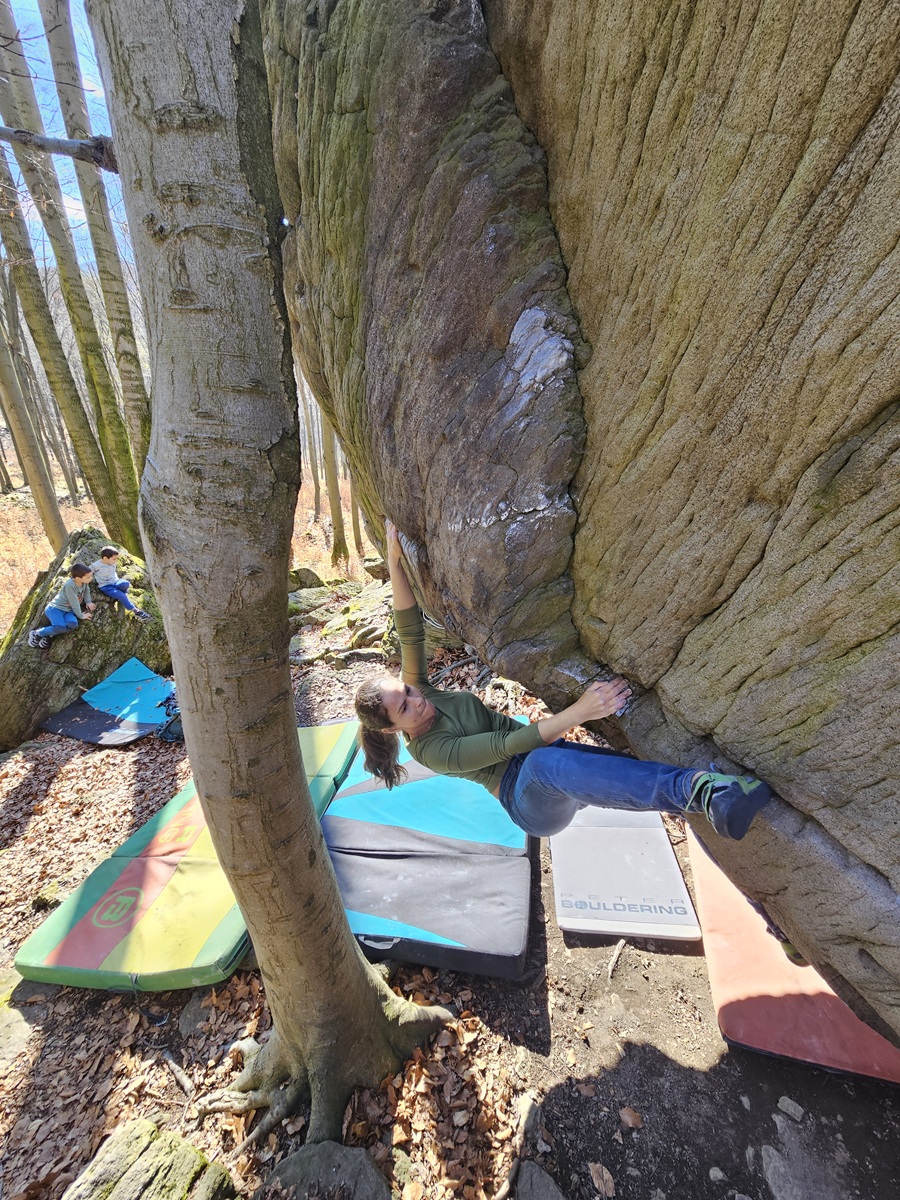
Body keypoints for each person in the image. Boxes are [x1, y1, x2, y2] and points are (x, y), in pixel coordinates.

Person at [354, 521, 772, 842]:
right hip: (528, 800)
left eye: (407, 690)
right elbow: (507, 746)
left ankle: (768, 906)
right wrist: (581, 711)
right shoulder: (433, 752)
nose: (416, 698)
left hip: (551, 759)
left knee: (639, 778)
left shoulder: (420, 691)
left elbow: (409, 628)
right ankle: (698, 791)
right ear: (393, 728)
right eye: (405, 707)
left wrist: (393, 560)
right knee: (543, 762)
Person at [28, 563, 96, 649]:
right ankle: (37, 633)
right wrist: (81, 615)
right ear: (78, 578)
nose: (91, 578)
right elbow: (74, 602)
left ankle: (49, 634)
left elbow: (86, 591)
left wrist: (88, 602)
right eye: (88, 577)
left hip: (68, 610)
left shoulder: (84, 583)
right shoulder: (70, 585)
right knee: (60, 627)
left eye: (91, 576)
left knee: (73, 624)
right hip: (56, 609)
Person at [89, 546, 152, 622]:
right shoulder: (96, 565)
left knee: (125, 583)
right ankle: (136, 611)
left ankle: (123, 596)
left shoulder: (112, 562)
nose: (115, 561)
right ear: (105, 558)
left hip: (115, 582)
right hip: (106, 586)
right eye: (114, 559)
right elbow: (88, 571)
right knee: (120, 595)